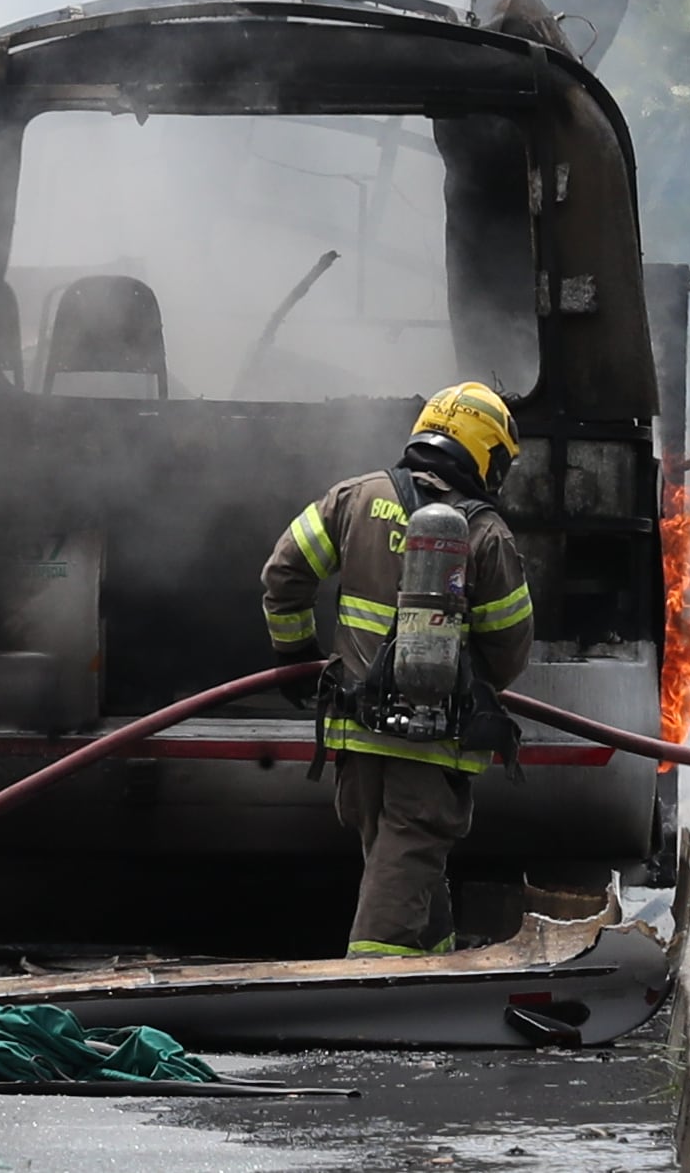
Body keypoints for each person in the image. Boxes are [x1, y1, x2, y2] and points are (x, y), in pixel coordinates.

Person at [260, 382, 535, 957]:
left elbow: (284, 573)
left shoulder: (355, 498)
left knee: (405, 863)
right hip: (431, 748)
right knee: (402, 872)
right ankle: (367, 1001)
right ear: (484, 452)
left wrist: (296, 656)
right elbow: (509, 649)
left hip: (355, 735)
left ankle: (443, 974)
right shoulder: (485, 535)